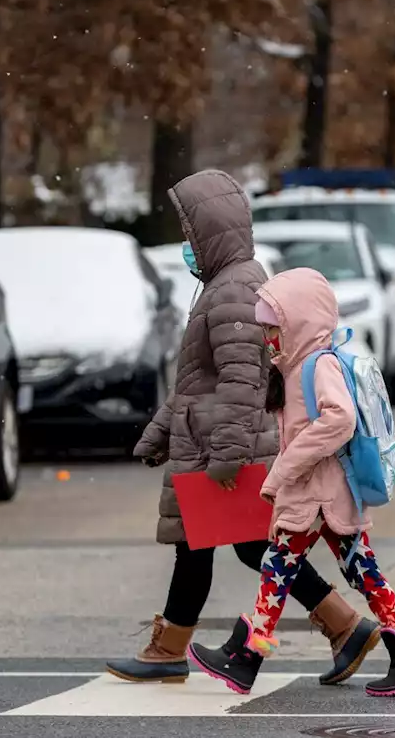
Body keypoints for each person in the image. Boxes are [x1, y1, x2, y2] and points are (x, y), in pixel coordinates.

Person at [105, 170, 380, 686]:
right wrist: (160, 431)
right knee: (241, 545)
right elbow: (198, 381)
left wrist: (227, 452)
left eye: (190, 233)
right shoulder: (224, 285)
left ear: (210, 230)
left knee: (215, 545)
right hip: (212, 439)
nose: (187, 244)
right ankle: (344, 626)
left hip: (227, 445)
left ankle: (169, 652)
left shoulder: (233, 288)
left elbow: (241, 379)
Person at [187, 267, 395, 697]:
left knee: (280, 567)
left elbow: (337, 419)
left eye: (274, 328)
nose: (268, 338)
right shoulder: (294, 367)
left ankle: (247, 656)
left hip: (317, 495)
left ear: (297, 322)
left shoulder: (319, 364)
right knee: (357, 572)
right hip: (323, 495)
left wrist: (284, 469)